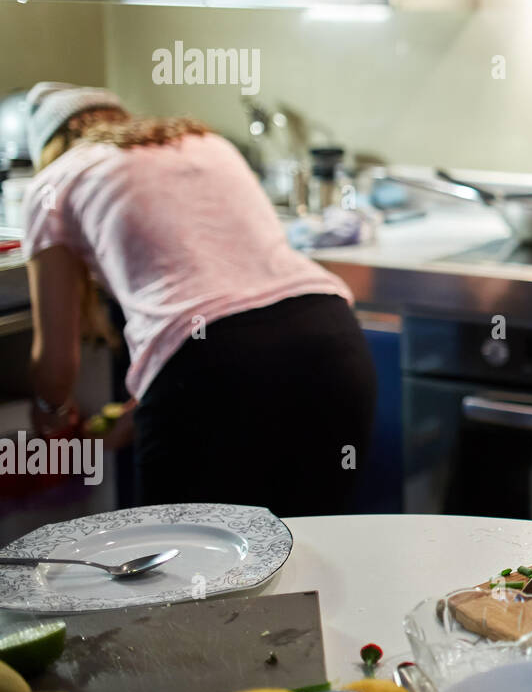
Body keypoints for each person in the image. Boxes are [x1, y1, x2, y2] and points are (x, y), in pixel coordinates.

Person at [21, 82, 374, 516]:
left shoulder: (53, 182)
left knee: (182, 570)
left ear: (50, 144)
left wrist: (50, 413)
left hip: (209, 369)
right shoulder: (206, 142)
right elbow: (226, 297)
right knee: (309, 553)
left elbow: (57, 367)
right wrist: (150, 401)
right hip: (331, 339)